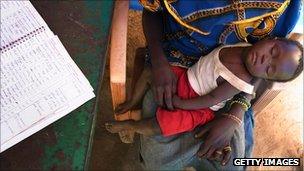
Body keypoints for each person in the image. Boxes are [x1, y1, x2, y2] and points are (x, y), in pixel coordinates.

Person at [123, 0, 302, 170]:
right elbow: (152, 9)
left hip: (232, 84)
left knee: (232, 163)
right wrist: (158, 61)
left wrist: (235, 114)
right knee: (157, 159)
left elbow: (264, 66)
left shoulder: (279, 8)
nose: (267, 57)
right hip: (174, 64)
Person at [106, 38, 303, 138]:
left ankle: (131, 126)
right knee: (151, 72)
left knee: (161, 126)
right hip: (187, 76)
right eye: (273, 51)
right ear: (272, 38)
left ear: (263, 77)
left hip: (199, 106)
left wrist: (182, 103)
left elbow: (211, 99)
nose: (264, 59)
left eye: (268, 69)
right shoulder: (243, 43)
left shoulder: (240, 80)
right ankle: (133, 100)